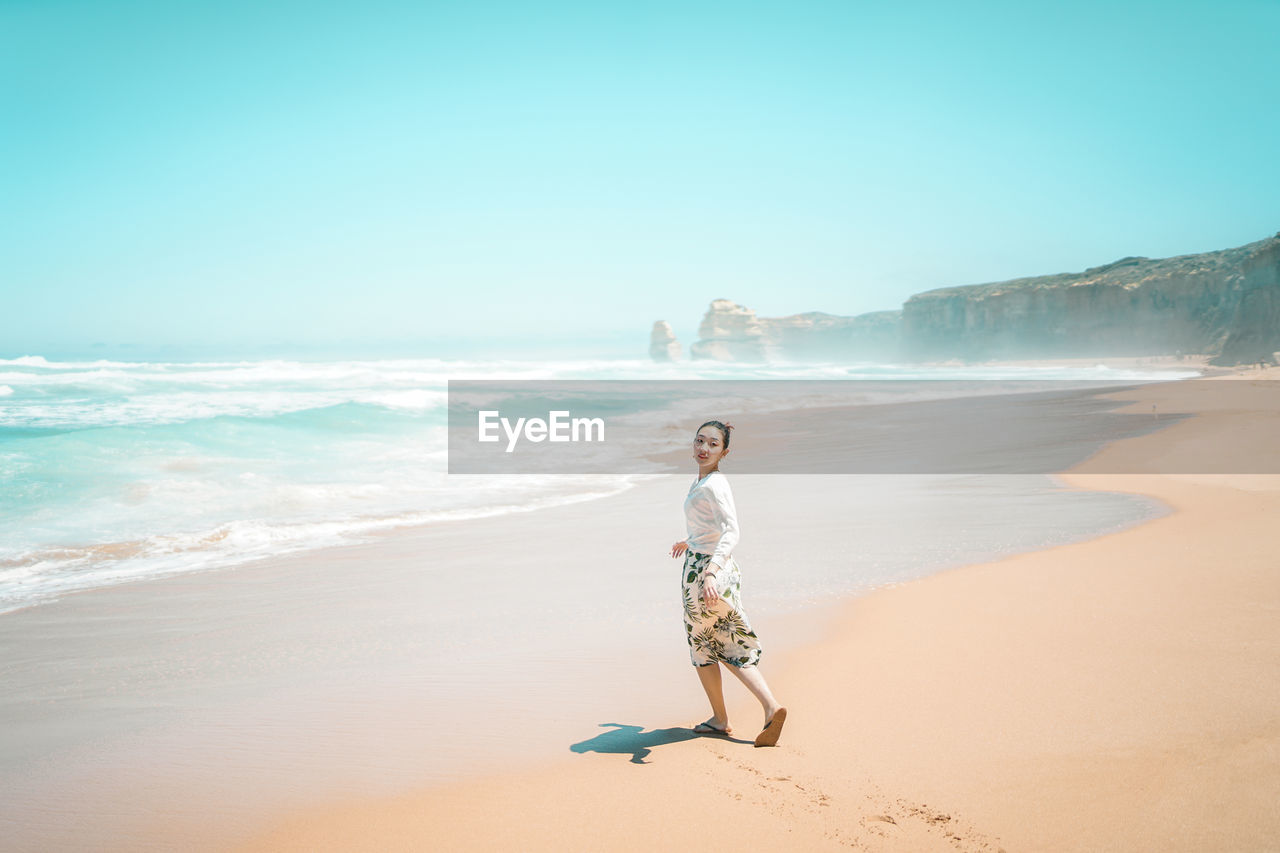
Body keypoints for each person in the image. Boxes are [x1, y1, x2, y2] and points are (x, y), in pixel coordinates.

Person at [669, 419, 787, 747]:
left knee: (705, 648)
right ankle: (762, 708)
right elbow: (712, 528)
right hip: (711, 565)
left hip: (706, 574)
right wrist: (690, 540)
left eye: (712, 444)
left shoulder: (713, 484)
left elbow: (732, 530)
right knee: (723, 643)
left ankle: (733, 717)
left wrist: (709, 572)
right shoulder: (706, 481)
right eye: (699, 441)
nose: (704, 449)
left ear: (725, 451)